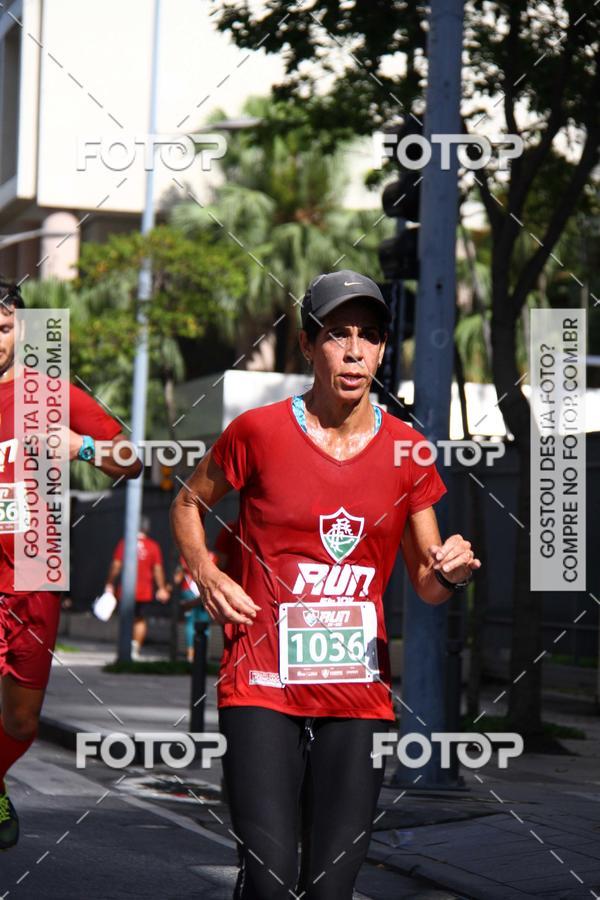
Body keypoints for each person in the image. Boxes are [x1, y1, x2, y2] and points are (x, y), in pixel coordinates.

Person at [170, 269, 481, 899]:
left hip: (357, 697)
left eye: (370, 336)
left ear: (384, 351)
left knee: (331, 887)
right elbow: (187, 503)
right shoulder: (258, 432)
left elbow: (427, 583)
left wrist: (450, 572)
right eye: (338, 334)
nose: (355, 350)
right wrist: (205, 570)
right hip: (261, 685)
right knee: (270, 879)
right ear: (309, 345)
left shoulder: (408, 451)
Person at [0, 279, 143, 851]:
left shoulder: (49, 394)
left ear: (20, 331)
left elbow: (132, 459)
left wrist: (80, 447)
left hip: (34, 573)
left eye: (4, 327)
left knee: (20, 721)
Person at [104, 515, 169, 660]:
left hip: (126, 591)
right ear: (147, 528)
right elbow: (157, 569)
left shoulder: (125, 543)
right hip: (145, 590)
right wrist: (161, 587)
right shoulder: (153, 546)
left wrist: (110, 582)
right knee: (140, 619)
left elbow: (116, 565)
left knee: (125, 618)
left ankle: (125, 647)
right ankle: (135, 648)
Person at [173, 551, 213, 662]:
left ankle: (191, 655)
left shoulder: (187, 553)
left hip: (190, 591)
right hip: (205, 591)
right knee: (204, 624)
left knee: (190, 623)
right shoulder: (212, 556)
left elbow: (177, 577)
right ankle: (202, 654)